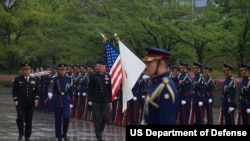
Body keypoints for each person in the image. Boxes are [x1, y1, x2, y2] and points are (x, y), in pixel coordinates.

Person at [143, 47, 178, 125]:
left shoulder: (165, 87)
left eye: (150, 63)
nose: (147, 66)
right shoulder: (157, 83)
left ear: (161, 64)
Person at [12, 61, 40, 141]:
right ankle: (21, 133)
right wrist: (15, 99)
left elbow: (37, 91)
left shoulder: (33, 80)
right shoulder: (18, 79)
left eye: (28, 69)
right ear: (21, 70)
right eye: (25, 69)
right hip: (20, 103)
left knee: (29, 121)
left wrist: (36, 99)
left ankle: (27, 136)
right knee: (20, 117)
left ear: (30, 70)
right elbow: (14, 91)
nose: (26, 71)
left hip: (30, 103)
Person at [87, 60, 112, 141]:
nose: (103, 68)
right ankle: (99, 136)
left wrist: (110, 100)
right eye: (101, 66)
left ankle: (100, 129)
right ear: (97, 67)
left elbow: (109, 89)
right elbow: (90, 89)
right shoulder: (93, 76)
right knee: (97, 118)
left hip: (105, 100)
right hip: (96, 100)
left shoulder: (107, 76)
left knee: (106, 116)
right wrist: (90, 99)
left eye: (104, 66)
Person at [48, 63, 73, 141]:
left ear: (66, 70)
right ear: (58, 70)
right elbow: (51, 86)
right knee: (58, 119)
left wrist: (71, 102)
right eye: (61, 70)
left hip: (66, 100)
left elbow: (71, 91)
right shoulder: (55, 78)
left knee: (66, 118)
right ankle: (59, 135)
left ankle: (64, 134)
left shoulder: (69, 78)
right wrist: (50, 92)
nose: (62, 71)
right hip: (57, 99)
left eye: (64, 69)